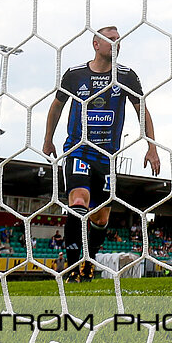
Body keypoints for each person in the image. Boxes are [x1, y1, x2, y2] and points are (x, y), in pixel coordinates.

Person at [43, 25, 161, 281]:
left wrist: (152, 146)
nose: (116, 43)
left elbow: (142, 110)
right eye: (110, 39)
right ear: (96, 44)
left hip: (107, 157)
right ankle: (74, 266)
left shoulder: (127, 76)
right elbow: (56, 107)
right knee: (78, 200)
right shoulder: (75, 75)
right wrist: (48, 140)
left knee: (101, 214)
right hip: (78, 150)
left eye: (119, 39)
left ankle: (90, 260)